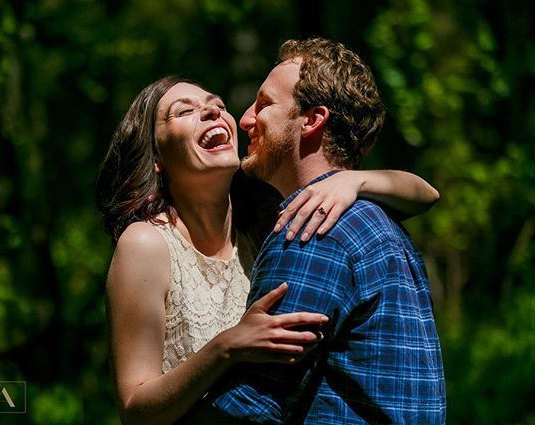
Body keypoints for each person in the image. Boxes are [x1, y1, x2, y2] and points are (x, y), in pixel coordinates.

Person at [97, 74, 440, 424]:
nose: (211, 113)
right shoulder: (145, 243)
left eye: (217, 106)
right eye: (184, 111)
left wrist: (355, 180)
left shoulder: (264, 231)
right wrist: (225, 347)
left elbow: (426, 195)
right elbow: (134, 409)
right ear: (156, 157)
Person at [186, 38, 447, 424]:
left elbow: (252, 407)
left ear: (312, 119)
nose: (245, 119)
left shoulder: (312, 228)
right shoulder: (379, 222)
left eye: (264, 104)